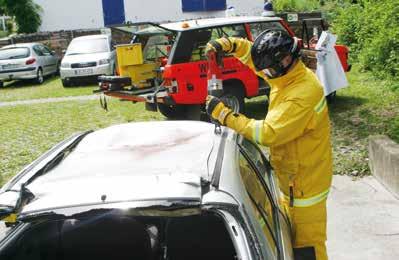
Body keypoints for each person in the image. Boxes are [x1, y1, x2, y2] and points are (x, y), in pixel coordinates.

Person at [205, 30, 333, 260]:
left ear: (285, 60)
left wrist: (226, 116)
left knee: (307, 250)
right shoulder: (284, 76)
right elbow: (254, 57)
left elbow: (267, 133)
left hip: (306, 190)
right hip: (293, 181)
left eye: (269, 70)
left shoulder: (303, 92)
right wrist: (229, 45)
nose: (265, 74)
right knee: (291, 247)